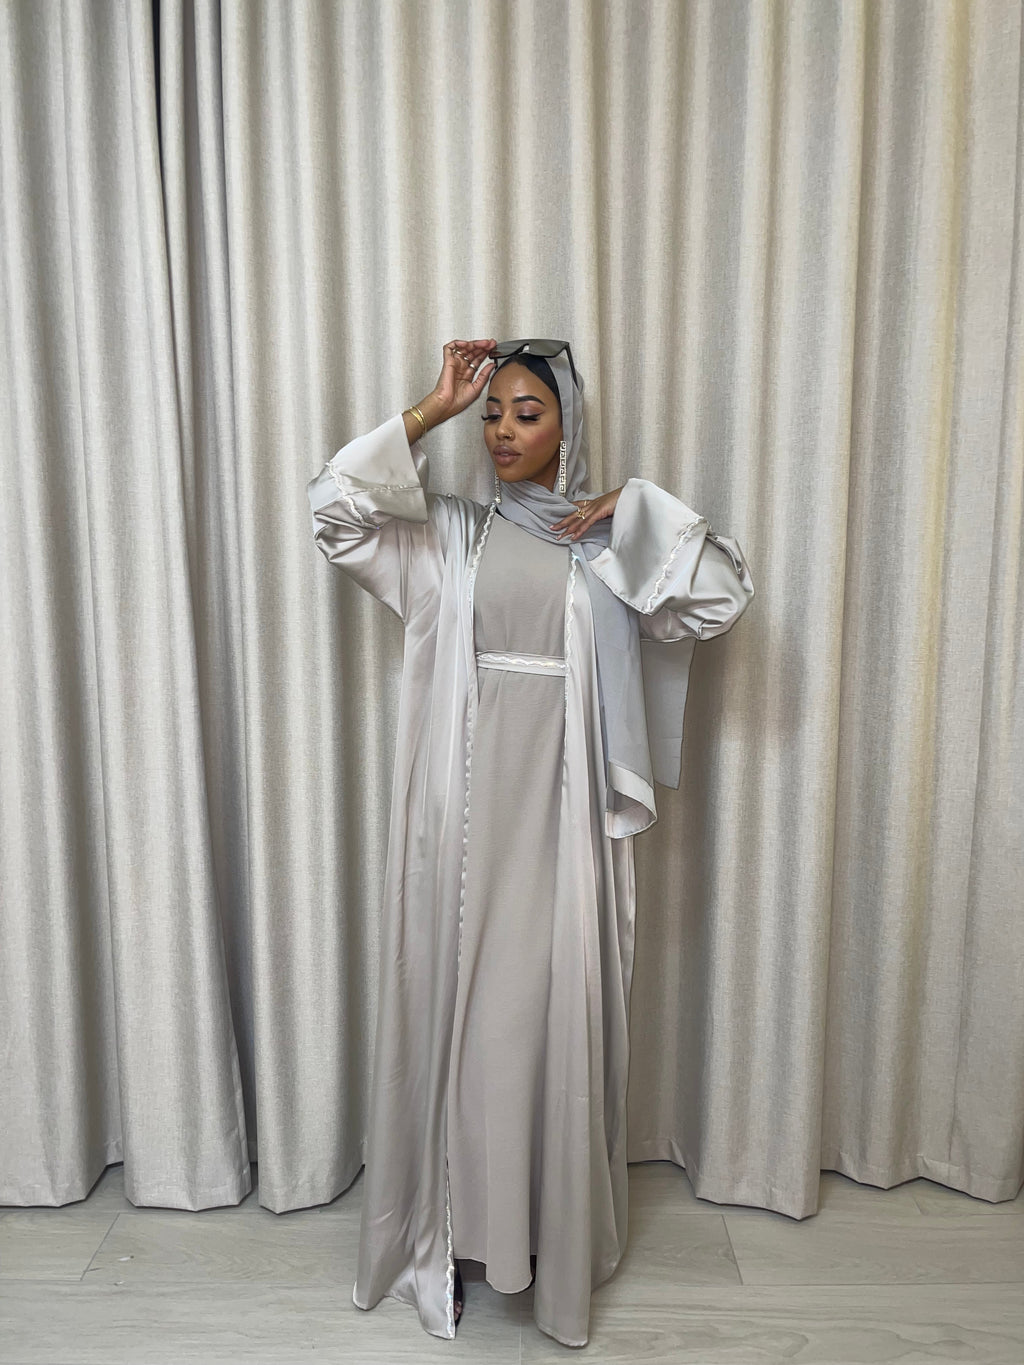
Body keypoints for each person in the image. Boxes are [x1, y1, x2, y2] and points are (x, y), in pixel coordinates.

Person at [305, 337, 755, 1347]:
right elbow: (334, 510)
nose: (503, 432)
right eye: (491, 415)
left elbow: (720, 597)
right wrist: (426, 412)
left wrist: (635, 507)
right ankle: (454, 1239)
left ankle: (536, 1229)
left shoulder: (606, 545)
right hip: (464, 814)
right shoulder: (448, 534)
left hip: (564, 816)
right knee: (468, 1018)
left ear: (567, 427)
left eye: (527, 413)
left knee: (540, 1020)